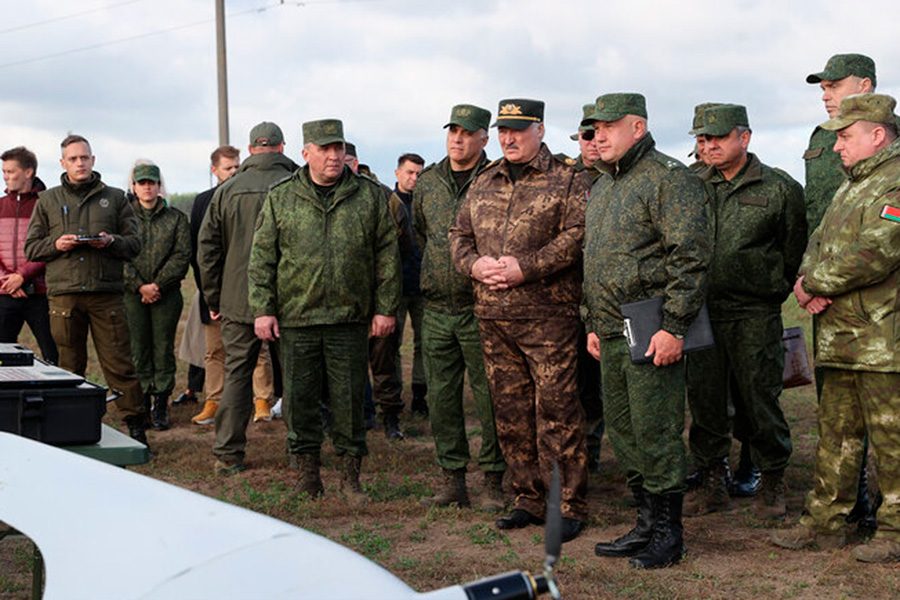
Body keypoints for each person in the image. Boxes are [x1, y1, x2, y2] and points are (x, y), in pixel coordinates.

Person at [449, 98, 590, 543]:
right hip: (494, 317)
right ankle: (527, 498)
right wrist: (472, 265)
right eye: (503, 131)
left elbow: (577, 236)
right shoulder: (483, 180)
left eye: (519, 130)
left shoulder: (568, 178)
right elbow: (459, 234)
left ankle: (566, 504)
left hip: (548, 319)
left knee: (557, 412)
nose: (509, 139)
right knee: (510, 413)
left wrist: (525, 267)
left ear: (541, 130)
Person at [582, 93, 710, 568]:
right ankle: (645, 522)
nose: (598, 137)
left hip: (653, 326)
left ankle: (668, 533)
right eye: (594, 129)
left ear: (637, 128)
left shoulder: (668, 179)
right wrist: (592, 321)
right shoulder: (606, 184)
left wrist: (674, 327)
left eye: (609, 128)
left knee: (656, 430)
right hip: (611, 330)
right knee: (624, 428)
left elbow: (691, 257)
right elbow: (594, 259)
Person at [771, 93, 900, 563]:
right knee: (836, 434)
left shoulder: (894, 182)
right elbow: (818, 241)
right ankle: (825, 521)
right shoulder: (852, 184)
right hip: (842, 335)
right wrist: (805, 281)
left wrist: (815, 282)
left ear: (877, 135)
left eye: (846, 136)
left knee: (892, 440)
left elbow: (877, 252)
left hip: (883, 340)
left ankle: (895, 530)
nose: (838, 146)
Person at [249, 118, 400, 504]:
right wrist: (263, 309)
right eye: (324, 149)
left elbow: (387, 256)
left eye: (338, 148)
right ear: (306, 153)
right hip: (297, 319)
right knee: (299, 402)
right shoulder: (281, 196)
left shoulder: (367, 195)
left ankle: (351, 480)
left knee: (349, 402)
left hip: (349, 319)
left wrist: (384, 308)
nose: (334, 156)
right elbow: (263, 257)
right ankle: (308, 476)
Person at [683, 104, 806, 520]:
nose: (709, 146)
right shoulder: (690, 185)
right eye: (702, 139)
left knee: (760, 399)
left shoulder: (779, 188)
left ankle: (773, 479)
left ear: (745, 138)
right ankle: (712, 478)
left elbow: (792, 253)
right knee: (705, 401)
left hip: (754, 312)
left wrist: (767, 288)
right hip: (700, 312)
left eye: (717, 137)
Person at [24, 134, 148, 445]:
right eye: (74, 158)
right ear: (63, 163)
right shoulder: (47, 200)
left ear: (93, 160)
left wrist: (111, 242)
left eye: (85, 157)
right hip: (64, 295)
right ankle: (69, 424)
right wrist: (56, 244)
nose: (80, 163)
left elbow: (134, 244)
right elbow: (31, 248)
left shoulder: (117, 197)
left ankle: (136, 424)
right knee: (68, 365)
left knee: (119, 363)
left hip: (106, 295)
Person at [804, 53, 883, 530]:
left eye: (835, 85)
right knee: (836, 415)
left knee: (885, 419)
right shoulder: (821, 139)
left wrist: (820, 281)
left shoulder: (887, 141)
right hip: (827, 299)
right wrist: (807, 280)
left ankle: (882, 509)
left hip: (876, 302)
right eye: (823, 88)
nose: (826, 95)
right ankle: (848, 508)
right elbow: (817, 218)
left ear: (866, 85)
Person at [413, 104, 505, 511]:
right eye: (452, 130)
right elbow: (422, 234)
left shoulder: (499, 179)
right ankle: (453, 479)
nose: (457, 138)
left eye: (467, 133)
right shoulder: (428, 181)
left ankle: (493, 481)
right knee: (442, 397)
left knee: (491, 398)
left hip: (481, 308)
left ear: (484, 138)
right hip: (435, 308)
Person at [197, 122, 297, 474]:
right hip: (293, 300)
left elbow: (207, 250)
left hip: (238, 301)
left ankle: (227, 452)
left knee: (238, 374)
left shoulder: (226, 190)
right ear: (283, 148)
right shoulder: (301, 184)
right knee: (296, 375)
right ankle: (301, 451)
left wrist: (214, 298)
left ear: (251, 150)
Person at [122, 162, 190, 431]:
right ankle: (143, 404)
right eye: (142, 183)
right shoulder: (124, 220)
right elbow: (119, 255)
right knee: (138, 348)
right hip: (132, 295)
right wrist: (139, 286)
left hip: (167, 295)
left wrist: (157, 285)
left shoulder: (176, 219)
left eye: (152, 182)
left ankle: (161, 404)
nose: (147, 187)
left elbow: (182, 255)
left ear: (159, 185)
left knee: (163, 348)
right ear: (134, 187)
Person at [175, 145, 240, 407]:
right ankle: (208, 396)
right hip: (210, 288)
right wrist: (207, 290)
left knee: (254, 353)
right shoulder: (203, 201)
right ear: (215, 171)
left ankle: (258, 401)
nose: (235, 171)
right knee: (210, 348)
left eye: (238, 166)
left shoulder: (246, 195)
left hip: (242, 288)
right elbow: (196, 250)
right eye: (229, 167)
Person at [0, 146, 58, 364]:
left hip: (40, 294)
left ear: (28, 172)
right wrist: (8, 280)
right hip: (5, 294)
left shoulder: (45, 205)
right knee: (2, 358)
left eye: (10, 172)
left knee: (52, 354)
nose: (5, 177)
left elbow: (51, 246)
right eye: (4, 172)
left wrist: (22, 276)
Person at [392, 152, 429, 416]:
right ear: (398, 173)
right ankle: (393, 397)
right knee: (392, 344)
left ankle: (420, 395)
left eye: (418, 174)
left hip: (422, 285)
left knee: (424, 344)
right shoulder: (388, 204)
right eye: (409, 173)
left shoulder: (425, 204)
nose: (414, 178)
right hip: (395, 286)